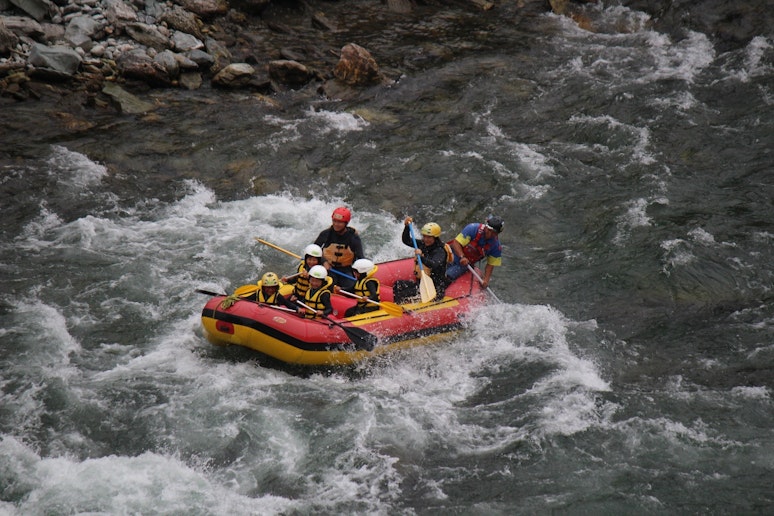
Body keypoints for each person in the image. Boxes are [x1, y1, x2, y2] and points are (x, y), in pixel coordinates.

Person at [393, 217, 452, 303]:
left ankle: (405, 310)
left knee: (404, 293)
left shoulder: (440, 251)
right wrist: (406, 227)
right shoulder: (423, 244)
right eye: (424, 236)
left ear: (435, 238)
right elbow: (406, 240)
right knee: (398, 284)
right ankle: (400, 306)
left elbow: (434, 264)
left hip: (434, 288)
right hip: (421, 284)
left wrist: (421, 257)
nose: (426, 239)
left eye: (429, 237)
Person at [445, 215, 504, 289]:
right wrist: (462, 257)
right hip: (453, 255)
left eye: (493, 233)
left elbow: (490, 265)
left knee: (449, 275)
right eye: (488, 230)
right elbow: (456, 243)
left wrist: (486, 280)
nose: (489, 233)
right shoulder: (473, 229)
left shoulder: (496, 246)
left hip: (465, 265)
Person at [314, 206, 364, 291]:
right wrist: (324, 261)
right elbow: (314, 251)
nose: (336, 224)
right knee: (327, 286)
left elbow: (360, 257)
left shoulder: (353, 238)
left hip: (345, 271)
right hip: (328, 268)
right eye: (334, 221)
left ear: (346, 223)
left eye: (340, 222)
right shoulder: (326, 234)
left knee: (352, 288)